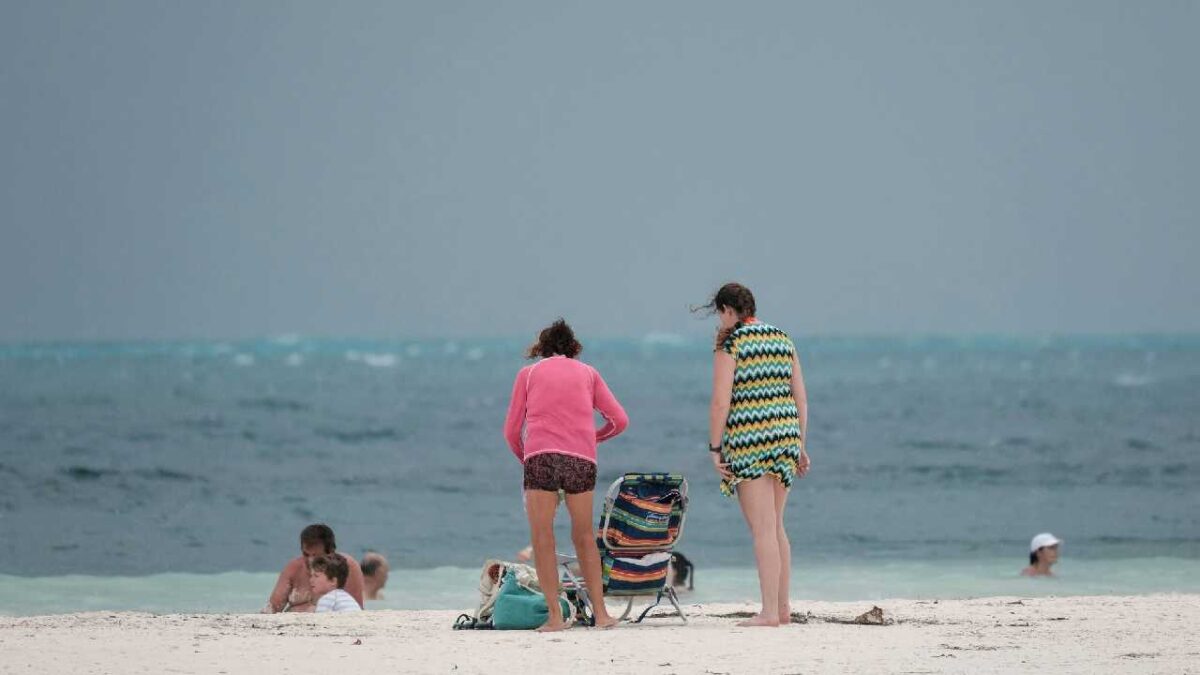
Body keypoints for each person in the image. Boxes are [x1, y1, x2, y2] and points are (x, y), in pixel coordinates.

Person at [503, 318, 629, 632]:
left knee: (542, 536)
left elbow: (510, 432)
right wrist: (593, 438)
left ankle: (555, 619)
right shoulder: (588, 373)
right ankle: (601, 614)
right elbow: (619, 420)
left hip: (541, 458)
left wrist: (527, 457)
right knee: (584, 536)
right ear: (573, 348)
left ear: (541, 349)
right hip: (581, 460)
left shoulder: (528, 375)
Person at [698, 282, 809, 627]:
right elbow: (800, 397)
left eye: (720, 314)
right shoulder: (782, 337)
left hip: (751, 441)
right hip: (786, 437)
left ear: (728, 310)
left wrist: (715, 449)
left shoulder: (732, 343)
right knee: (776, 526)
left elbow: (720, 402)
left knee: (762, 529)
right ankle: (782, 607)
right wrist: (800, 444)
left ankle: (769, 613)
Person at [264, 523, 365, 612]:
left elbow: (356, 610)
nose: (310, 561)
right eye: (306, 554)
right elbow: (271, 609)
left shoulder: (348, 567)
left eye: (316, 556)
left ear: (331, 553)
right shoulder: (293, 569)